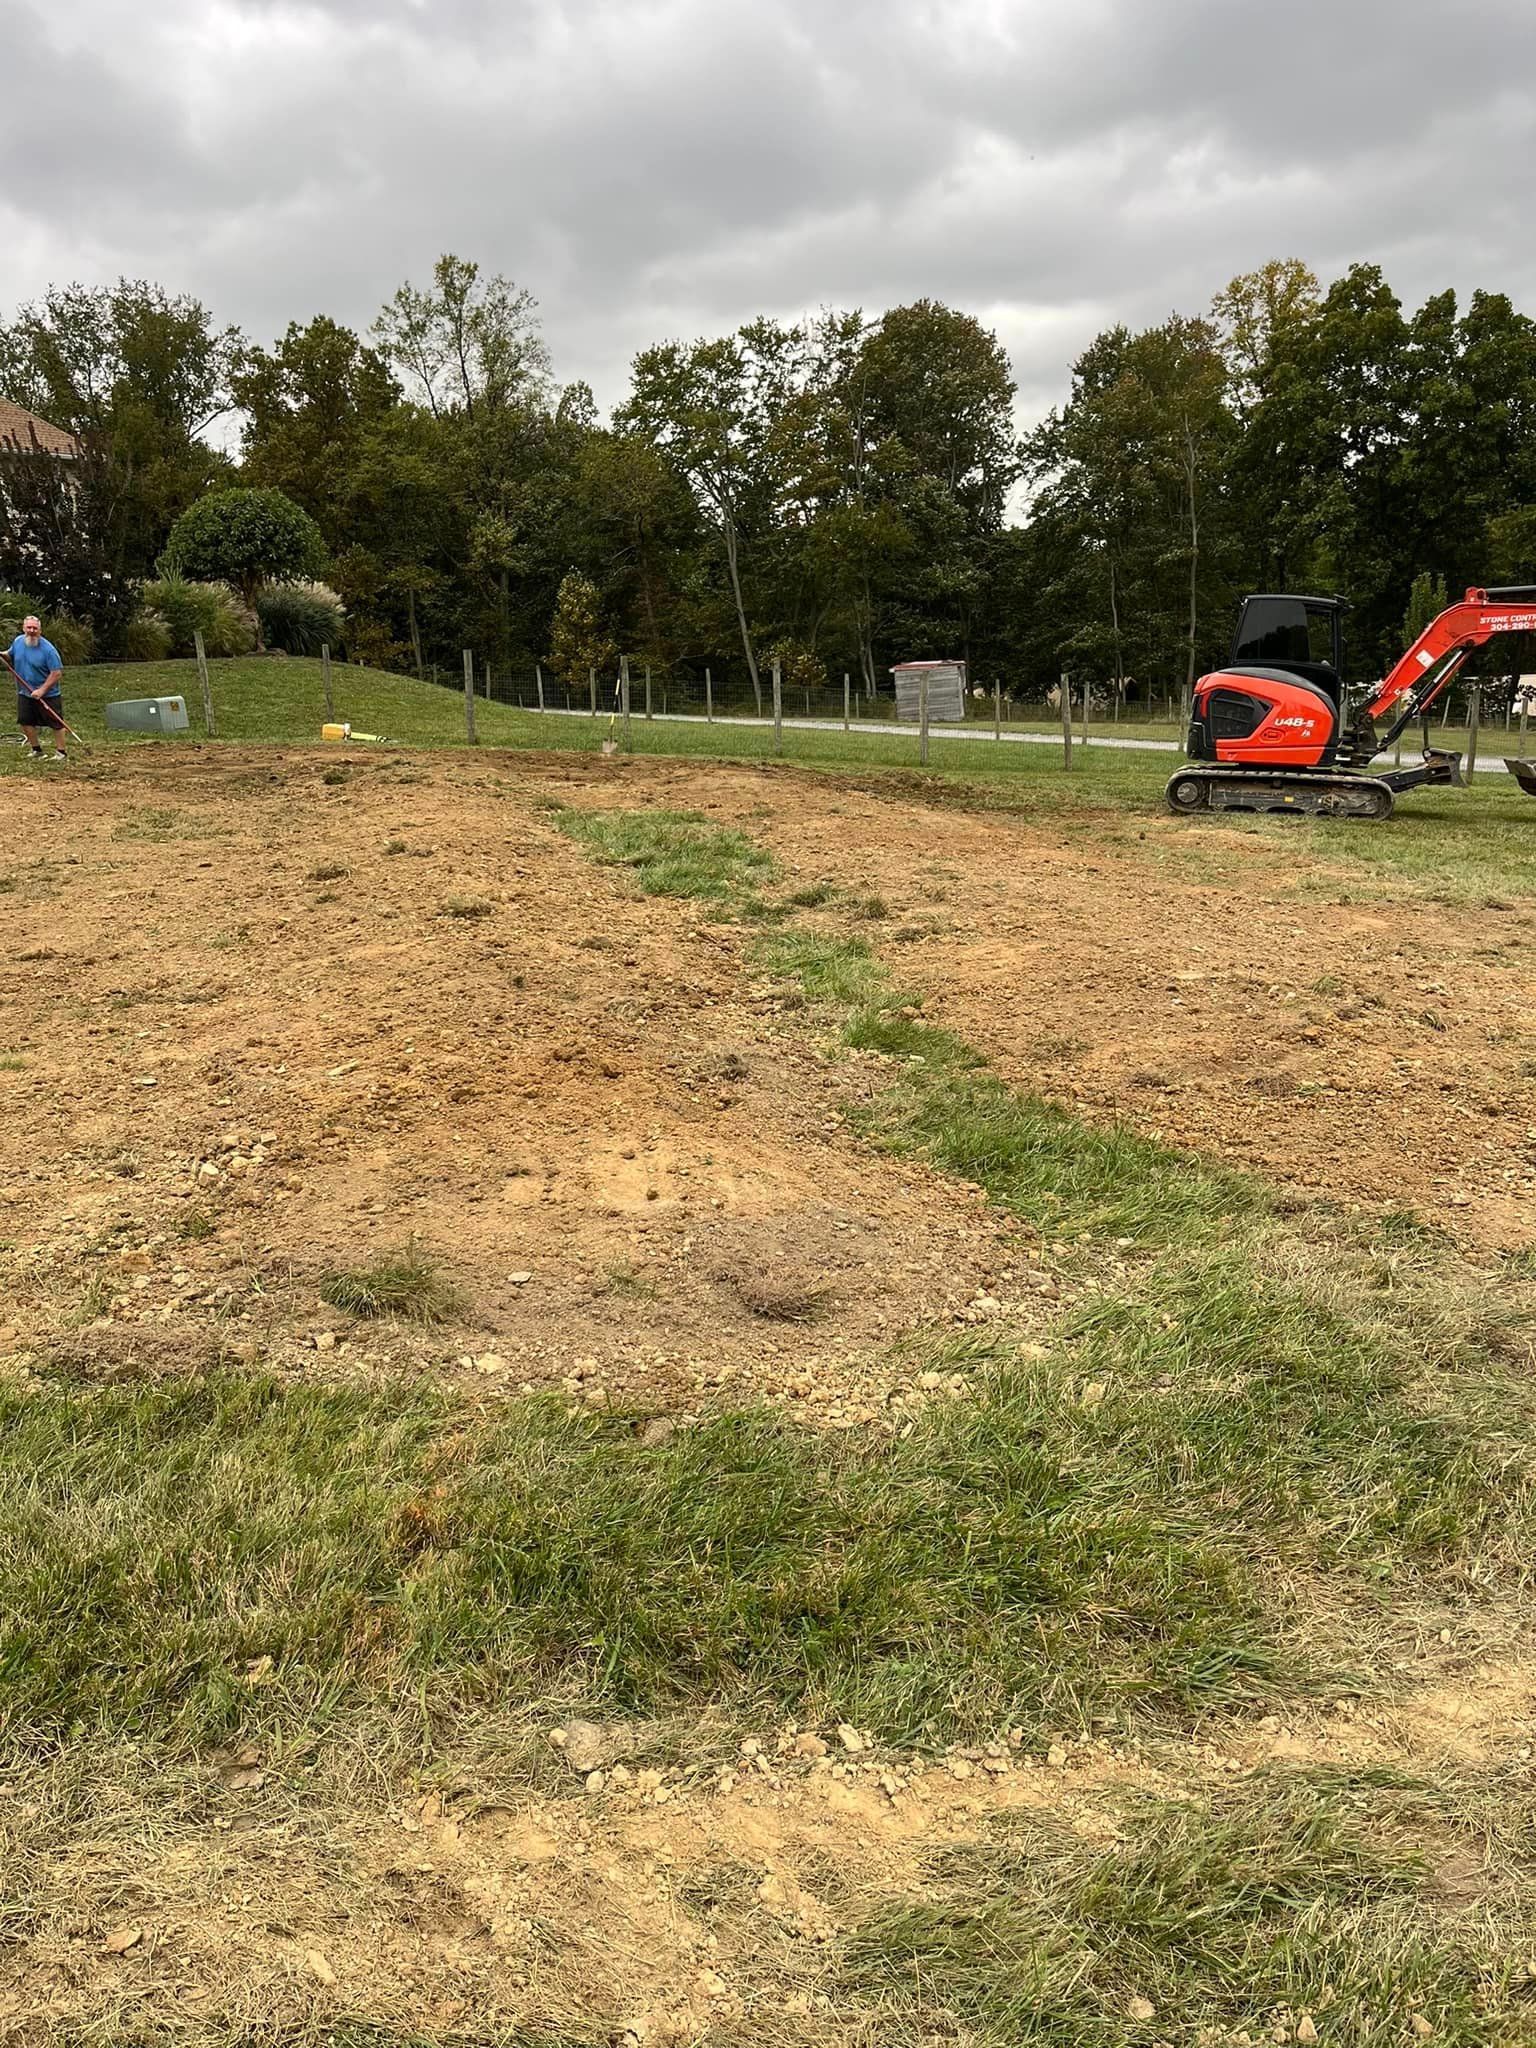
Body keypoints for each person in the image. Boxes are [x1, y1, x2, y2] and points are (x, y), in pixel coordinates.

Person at [7, 616, 66, 763]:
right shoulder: (18, 641)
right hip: (25, 691)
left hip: (48, 694)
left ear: (40, 630)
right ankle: (37, 750)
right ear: (24, 628)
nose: (32, 631)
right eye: (29, 628)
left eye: (35, 628)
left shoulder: (49, 650)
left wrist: (42, 690)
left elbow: (56, 673)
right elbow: (10, 654)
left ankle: (61, 752)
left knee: (56, 723)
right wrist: (3, 655)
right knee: (25, 721)